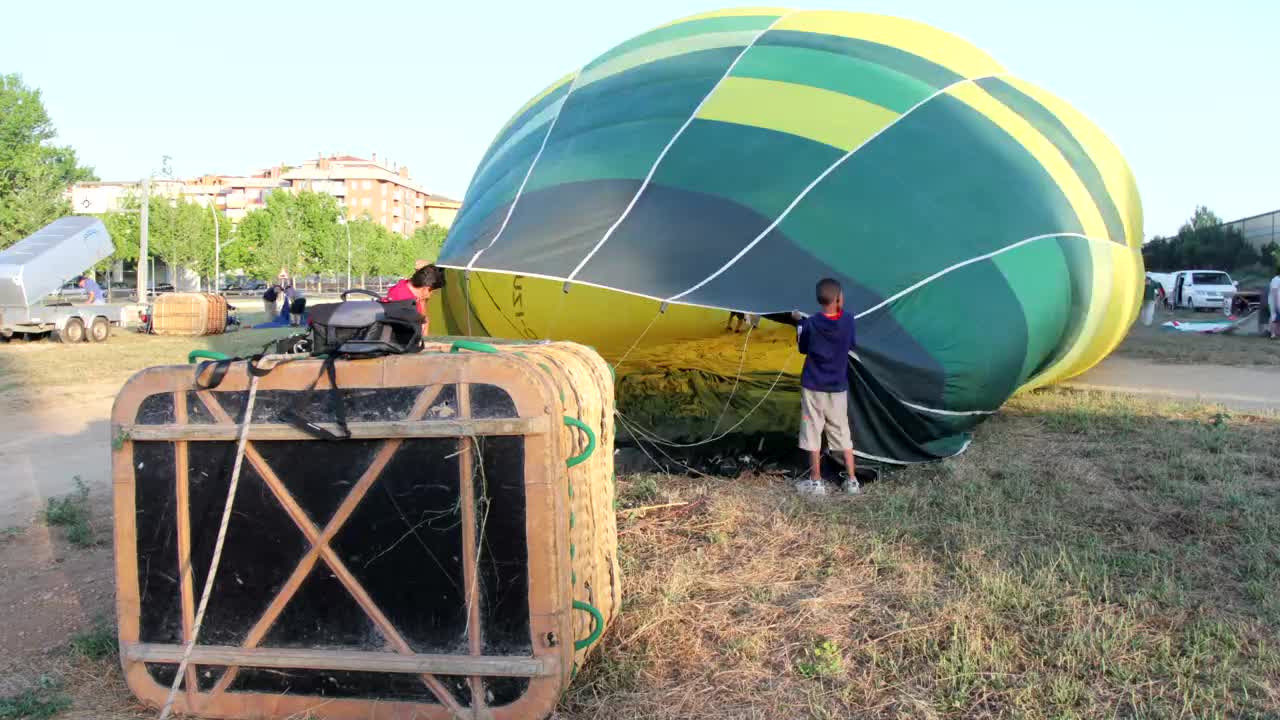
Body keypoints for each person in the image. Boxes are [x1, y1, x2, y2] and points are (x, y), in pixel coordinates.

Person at [791, 278, 858, 497]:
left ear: (819, 300)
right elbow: (851, 343)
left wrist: (798, 322)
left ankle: (816, 482)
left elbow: (802, 347)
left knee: (812, 432)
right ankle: (852, 481)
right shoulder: (849, 321)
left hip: (813, 387)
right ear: (839, 298)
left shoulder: (810, 323)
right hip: (837, 388)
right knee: (842, 433)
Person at [383, 264, 444, 338]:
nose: (430, 295)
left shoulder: (404, 284)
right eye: (432, 292)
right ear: (425, 288)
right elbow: (421, 329)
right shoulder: (405, 303)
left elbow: (424, 319)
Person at [1269, 261, 1280, 339]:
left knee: (1278, 318)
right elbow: (1274, 292)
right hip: (1274, 301)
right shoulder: (1275, 279)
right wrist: (1276, 304)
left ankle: (1277, 332)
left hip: (1278, 301)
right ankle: (1272, 334)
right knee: (1274, 316)